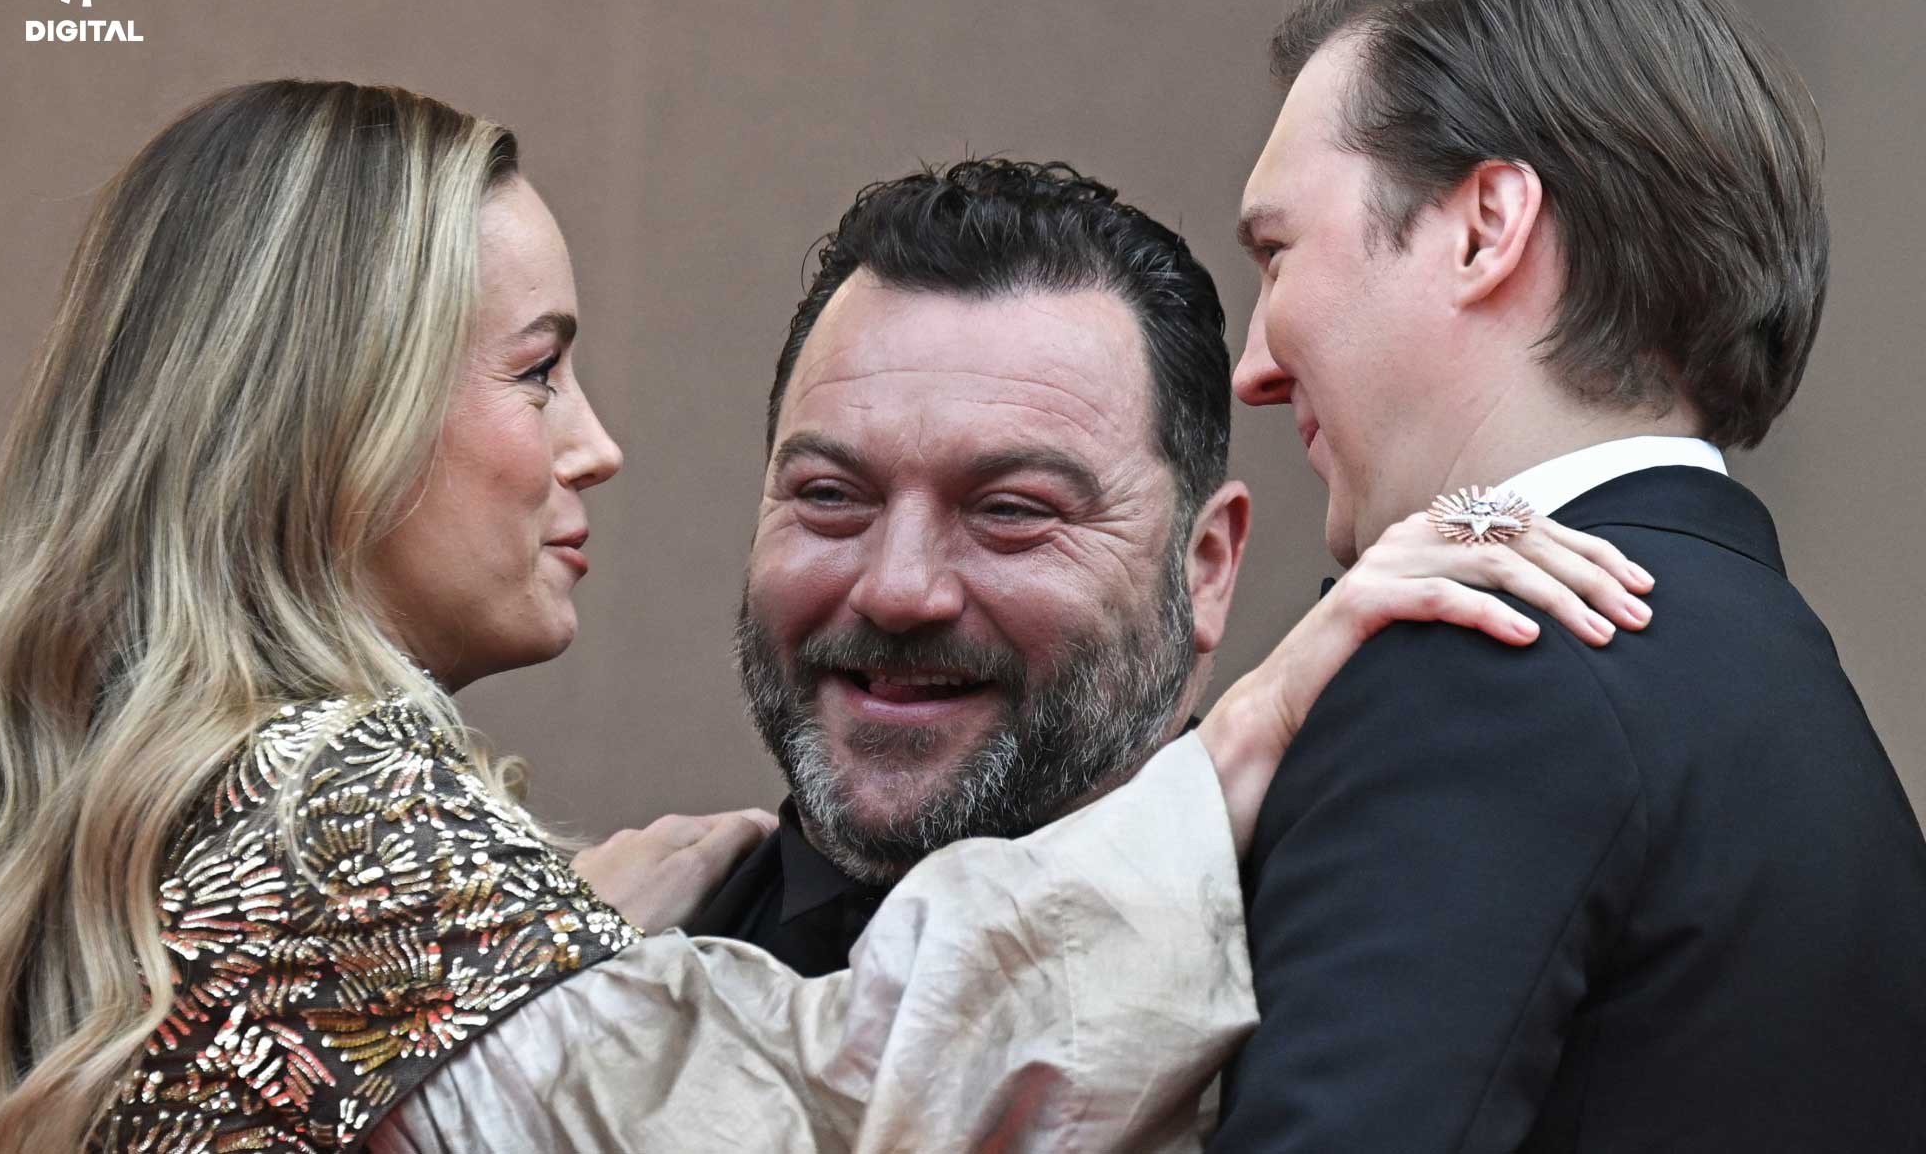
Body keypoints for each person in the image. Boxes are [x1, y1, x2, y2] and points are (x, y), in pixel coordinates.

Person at [0, 80, 1645, 1154]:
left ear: (1207, 564)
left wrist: (544, 957)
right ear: (330, 419)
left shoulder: (160, 805)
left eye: (1012, 508)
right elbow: (839, 1102)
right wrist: (1258, 725)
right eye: (538, 370)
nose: (597, 442)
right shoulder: (326, 810)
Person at [1214, 0, 1926, 1151]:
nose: (1252, 367)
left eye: (1276, 254)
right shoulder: (1778, 678)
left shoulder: (1487, 660)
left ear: (1484, 225)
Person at [690, 159, 1650, 973]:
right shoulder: (647, 938)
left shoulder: (1350, 969)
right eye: (830, 496)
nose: (898, 589)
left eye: (1011, 512)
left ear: (1207, 568)